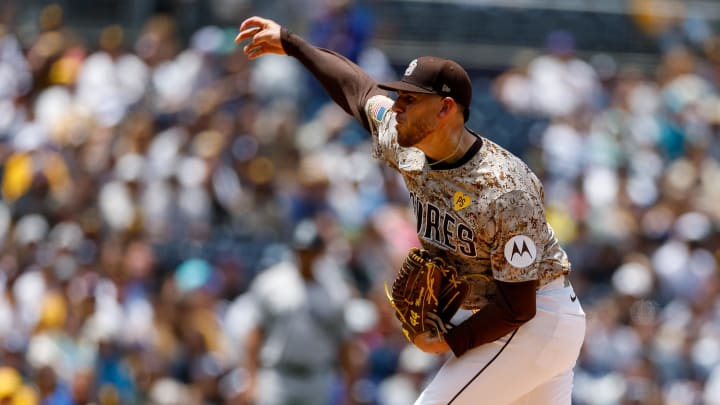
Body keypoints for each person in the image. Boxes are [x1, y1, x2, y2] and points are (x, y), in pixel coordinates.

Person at [236, 16, 586, 405]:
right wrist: (292, 44)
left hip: (534, 319)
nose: (397, 107)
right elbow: (359, 89)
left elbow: (518, 305)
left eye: (409, 100)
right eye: (399, 97)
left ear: (445, 110)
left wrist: (450, 339)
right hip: (514, 322)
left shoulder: (503, 188)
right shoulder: (405, 142)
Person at [242, 219, 358, 405]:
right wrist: (251, 379)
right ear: (294, 250)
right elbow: (255, 336)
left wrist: (350, 388)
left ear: (320, 252)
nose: (306, 256)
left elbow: (343, 344)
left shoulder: (335, 290)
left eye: (311, 251)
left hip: (317, 376)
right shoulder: (271, 283)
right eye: (302, 251)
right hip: (278, 375)